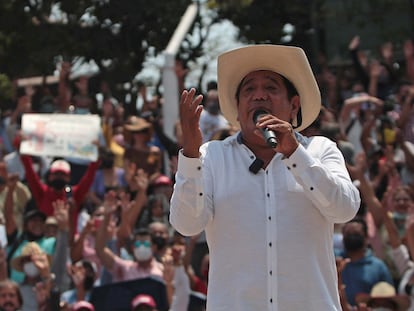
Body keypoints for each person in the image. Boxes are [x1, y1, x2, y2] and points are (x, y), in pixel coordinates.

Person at [169, 44, 361, 310]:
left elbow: (345, 209)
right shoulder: (211, 156)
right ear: (237, 110)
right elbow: (187, 225)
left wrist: (295, 153)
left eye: (271, 88)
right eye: (249, 89)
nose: (259, 96)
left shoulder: (320, 150)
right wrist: (190, 155)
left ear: (294, 105)